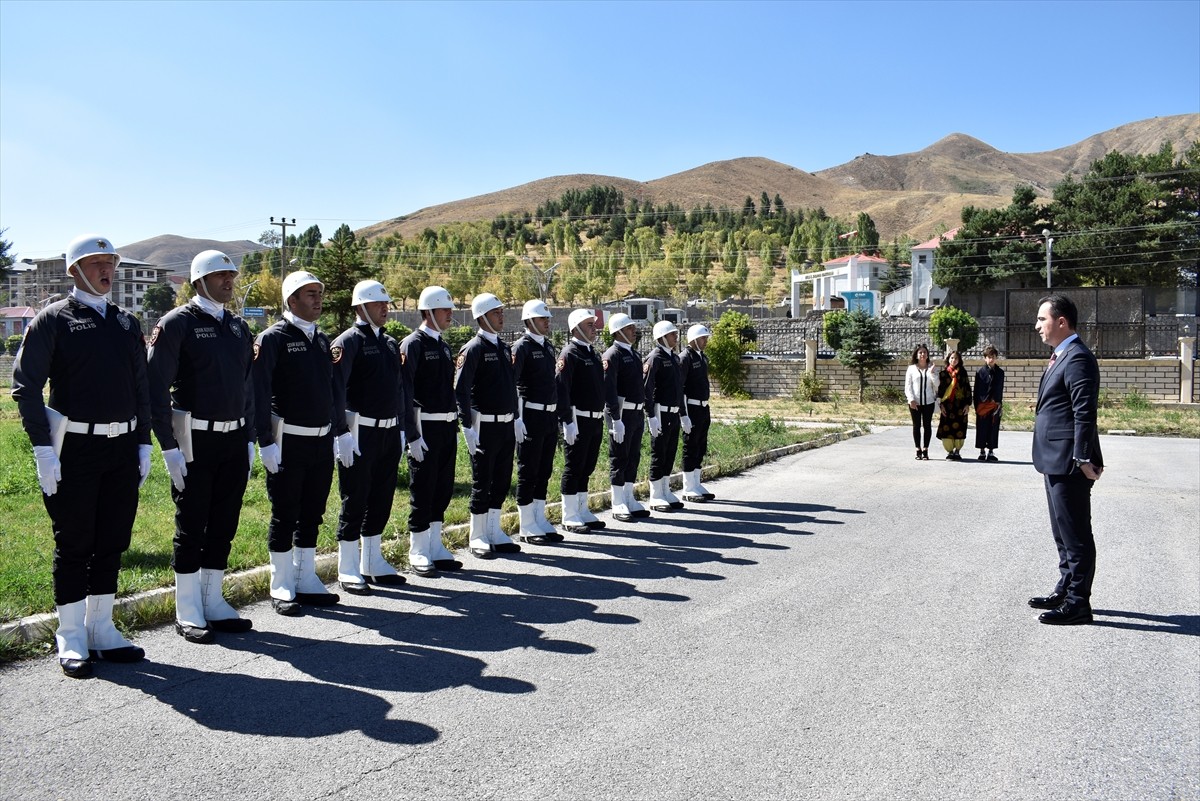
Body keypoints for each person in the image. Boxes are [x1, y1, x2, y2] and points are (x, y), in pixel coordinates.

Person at [12, 234, 151, 677]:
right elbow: (26, 387)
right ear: (74, 271)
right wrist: (42, 449)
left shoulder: (127, 323)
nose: (106, 270)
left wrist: (144, 441)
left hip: (121, 447)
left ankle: (102, 628)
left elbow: (142, 388)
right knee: (75, 542)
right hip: (75, 448)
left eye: (109, 262)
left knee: (113, 539)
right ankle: (71, 634)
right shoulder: (53, 319)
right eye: (95, 264)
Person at [147, 250, 255, 643]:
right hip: (194, 440)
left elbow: (247, 388)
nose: (229, 281)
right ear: (198, 281)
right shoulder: (177, 324)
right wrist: (167, 446)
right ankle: (187, 607)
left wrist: (249, 438)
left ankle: (212, 600)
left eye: (231, 274)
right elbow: (155, 388)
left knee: (225, 521)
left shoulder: (239, 328)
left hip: (232, 437)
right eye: (220, 275)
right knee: (192, 523)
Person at [253, 271, 340, 615]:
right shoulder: (273, 338)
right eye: (309, 294)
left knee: (312, 513)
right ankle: (281, 583)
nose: (317, 299)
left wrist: (338, 433)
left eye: (319, 293)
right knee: (285, 513)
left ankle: (306, 577)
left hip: (320, 442)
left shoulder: (321, 340)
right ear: (291, 300)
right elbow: (259, 393)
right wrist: (264, 442)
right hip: (287, 441)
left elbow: (331, 391)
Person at [329, 280, 408, 594]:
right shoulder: (347, 343)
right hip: (360, 431)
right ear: (360, 306)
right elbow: (336, 391)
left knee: (381, 497)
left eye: (386, 304)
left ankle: (372, 561)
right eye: (378, 304)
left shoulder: (389, 343)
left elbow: (399, 389)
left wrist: (402, 428)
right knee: (355, 497)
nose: (385, 309)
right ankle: (347, 565)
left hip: (389, 430)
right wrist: (341, 433)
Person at [1030, 294, 1104, 626]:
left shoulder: (1077, 358)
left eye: (1042, 319)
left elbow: (1084, 412)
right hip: (1053, 457)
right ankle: (1066, 586)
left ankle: (1078, 602)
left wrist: (1083, 455)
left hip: (1070, 460)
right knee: (1061, 531)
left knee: (1075, 533)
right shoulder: (1061, 356)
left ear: (1062, 322)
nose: (1037, 326)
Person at [399, 285, 465, 575]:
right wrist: (411, 434)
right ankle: (418, 548)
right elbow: (405, 390)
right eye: (444, 310)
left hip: (447, 425)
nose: (450, 314)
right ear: (428, 312)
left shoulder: (442, 344)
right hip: (425, 426)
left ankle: (435, 544)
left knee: (442, 487)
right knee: (423, 488)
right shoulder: (413, 344)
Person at [455, 293, 522, 559]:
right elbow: (461, 389)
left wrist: (516, 417)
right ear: (482, 317)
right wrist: (466, 425)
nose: (501, 316)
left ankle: (494, 531)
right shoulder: (473, 348)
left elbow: (510, 387)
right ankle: (478, 535)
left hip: (506, 425)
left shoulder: (504, 348)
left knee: (502, 480)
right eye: (496, 313)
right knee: (482, 481)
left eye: (502, 312)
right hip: (484, 426)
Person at [512, 299, 563, 545]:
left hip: (549, 415)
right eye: (543, 318)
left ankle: (539, 518)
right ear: (530, 320)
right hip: (530, 415)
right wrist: (517, 419)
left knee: (544, 469)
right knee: (528, 470)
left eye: (548, 318)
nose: (547, 322)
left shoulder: (548, 347)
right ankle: (526, 524)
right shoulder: (521, 347)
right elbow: (513, 385)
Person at [556, 308, 607, 534]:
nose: (594, 328)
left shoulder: (593, 353)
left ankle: (582, 509)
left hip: (594, 419)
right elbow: (562, 388)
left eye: (594, 324)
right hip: (578, 419)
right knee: (574, 466)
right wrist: (567, 420)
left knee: (587, 467)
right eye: (589, 325)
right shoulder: (570, 354)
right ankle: (569, 514)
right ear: (576, 328)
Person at [603, 313, 650, 523]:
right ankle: (617, 501)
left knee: (633, 457)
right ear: (618, 331)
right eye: (629, 327)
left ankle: (629, 497)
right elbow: (609, 389)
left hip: (636, 412)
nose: (634, 331)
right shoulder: (612, 355)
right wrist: (615, 418)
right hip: (621, 414)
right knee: (619, 457)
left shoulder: (634, 353)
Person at [643, 320, 686, 510]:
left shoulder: (675, 358)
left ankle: (665, 489)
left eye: (676, 334)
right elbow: (647, 388)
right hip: (660, 412)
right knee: (659, 453)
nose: (676, 337)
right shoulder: (655, 358)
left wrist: (683, 414)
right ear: (661, 337)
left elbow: (679, 388)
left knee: (670, 452)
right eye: (672, 334)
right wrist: (650, 415)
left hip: (674, 413)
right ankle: (655, 495)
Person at [679, 323, 715, 501]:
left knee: (701, 446)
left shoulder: (702, 357)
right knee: (690, 446)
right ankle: (688, 487)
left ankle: (696, 483)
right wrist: (683, 415)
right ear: (693, 339)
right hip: (691, 407)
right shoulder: (685, 357)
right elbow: (681, 388)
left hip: (703, 407)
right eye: (703, 338)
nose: (706, 341)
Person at [904, 344, 939, 460]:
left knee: (927, 426)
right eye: (920, 352)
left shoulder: (932, 368)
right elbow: (908, 386)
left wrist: (933, 373)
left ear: (927, 354)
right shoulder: (911, 369)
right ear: (917, 355)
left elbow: (937, 385)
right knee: (916, 426)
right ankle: (917, 449)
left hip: (928, 402)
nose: (922, 354)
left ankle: (925, 449)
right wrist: (911, 399)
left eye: (924, 352)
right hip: (915, 402)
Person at [935, 350, 971, 461]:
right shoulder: (943, 374)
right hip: (947, 406)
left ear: (959, 360)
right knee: (947, 428)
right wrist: (940, 405)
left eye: (956, 358)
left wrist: (968, 404)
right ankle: (950, 451)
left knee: (960, 427)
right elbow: (939, 391)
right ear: (948, 359)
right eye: (951, 358)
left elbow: (967, 389)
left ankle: (957, 451)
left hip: (960, 406)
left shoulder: (963, 373)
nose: (953, 360)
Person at [974, 345, 1005, 462]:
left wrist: (999, 404)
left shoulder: (1000, 373)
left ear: (996, 358)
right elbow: (976, 390)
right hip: (983, 405)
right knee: (982, 428)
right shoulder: (980, 372)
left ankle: (991, 451)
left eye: (993, 357)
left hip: (995, 405)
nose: (991, 359)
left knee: (993, 428)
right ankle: (982, 451)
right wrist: (977, 405)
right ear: (985, 358)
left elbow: (1000, 389)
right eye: (988, 357)